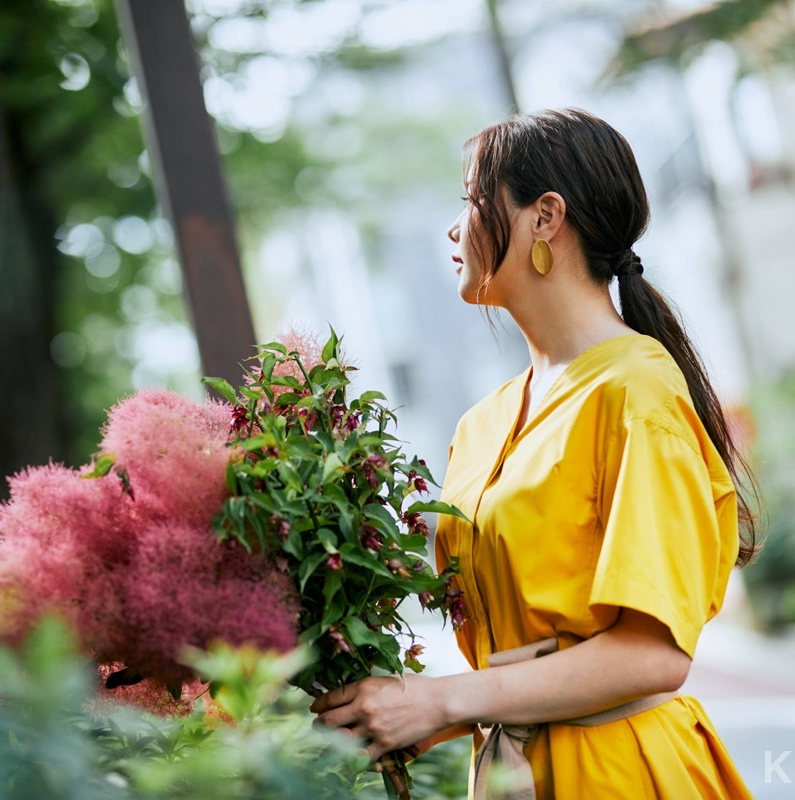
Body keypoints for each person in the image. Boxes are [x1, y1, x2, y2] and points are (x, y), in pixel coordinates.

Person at [310, 108, 758, 799]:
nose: (455, 227)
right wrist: (397, 709)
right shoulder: (481, 424)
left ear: (545, 217)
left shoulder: (635, 390)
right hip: (512, 774)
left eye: (472, 198)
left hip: (623, 772)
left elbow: (653, 655)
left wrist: (444, 701)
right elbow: (514, 648)